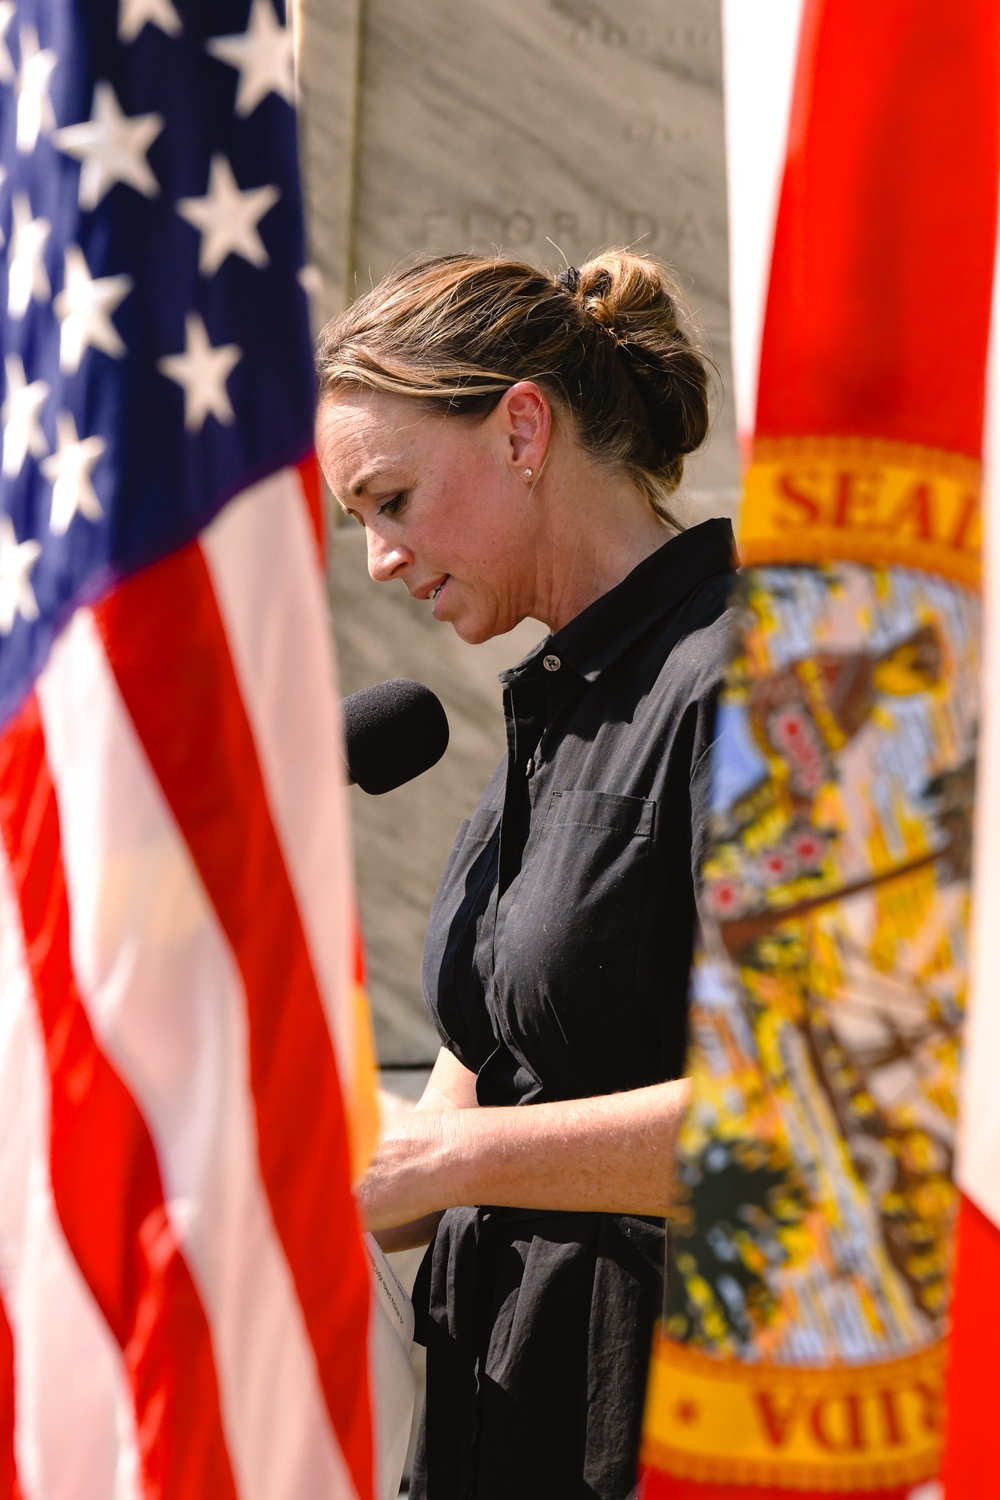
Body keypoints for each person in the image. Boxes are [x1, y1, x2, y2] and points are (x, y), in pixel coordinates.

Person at [315, 250, 736, 1500]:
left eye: (391, 499)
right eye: (361, 524)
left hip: (662, 1434)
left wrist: (447, 1165)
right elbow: (428, 1152)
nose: (381, 559)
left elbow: (799, 1120)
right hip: (488, 1430)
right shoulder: (543, 720)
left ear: (520, 428)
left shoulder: (749, 679)